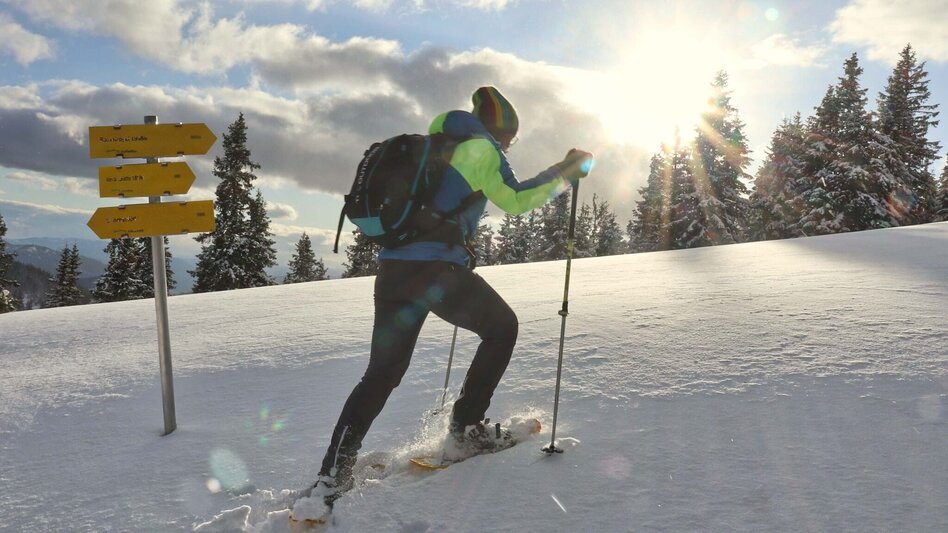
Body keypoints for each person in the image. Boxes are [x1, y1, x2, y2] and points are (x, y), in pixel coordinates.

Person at [308, 86, 593, 507]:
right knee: (502, 328)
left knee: (381, 374)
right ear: (500, 130)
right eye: (510, 139)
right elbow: (515, 199)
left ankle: (332, 476)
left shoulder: (436, 146)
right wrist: (565, 172)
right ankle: (466, 431)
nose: (508, 147)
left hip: (393, 273)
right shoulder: (480, 149)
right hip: (435, 272)